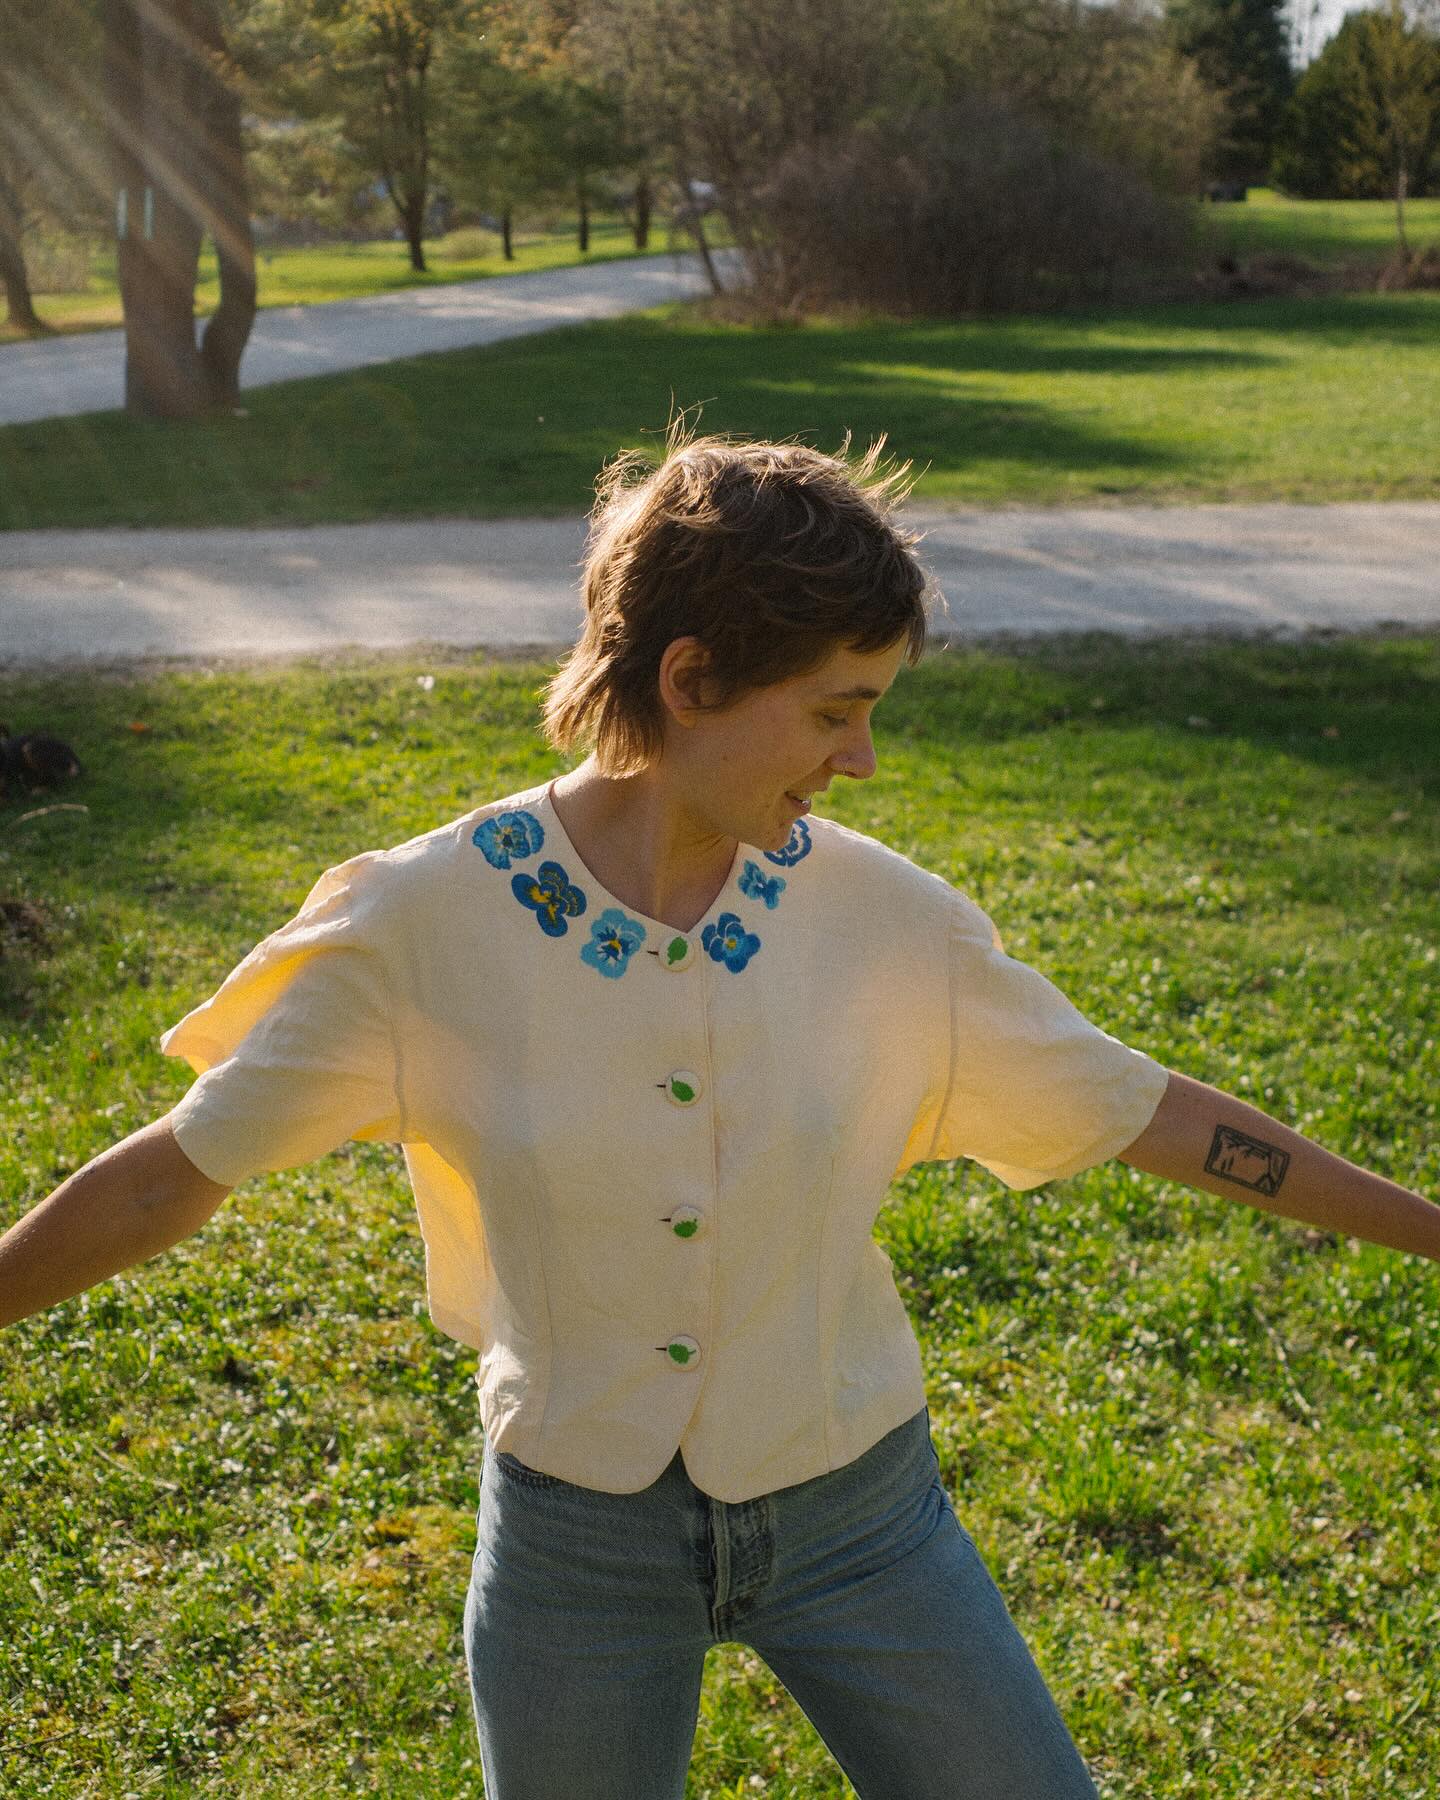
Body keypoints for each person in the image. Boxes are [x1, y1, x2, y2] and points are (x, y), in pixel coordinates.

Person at [2, 429, 1437, 1800]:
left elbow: (1143, 1113)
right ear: (690, 679)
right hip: (576, 1545)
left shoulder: (884, 925)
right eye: (835, 710)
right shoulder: (427, 926)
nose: (862, 761)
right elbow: (167, 1179)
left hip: (859, 1513)